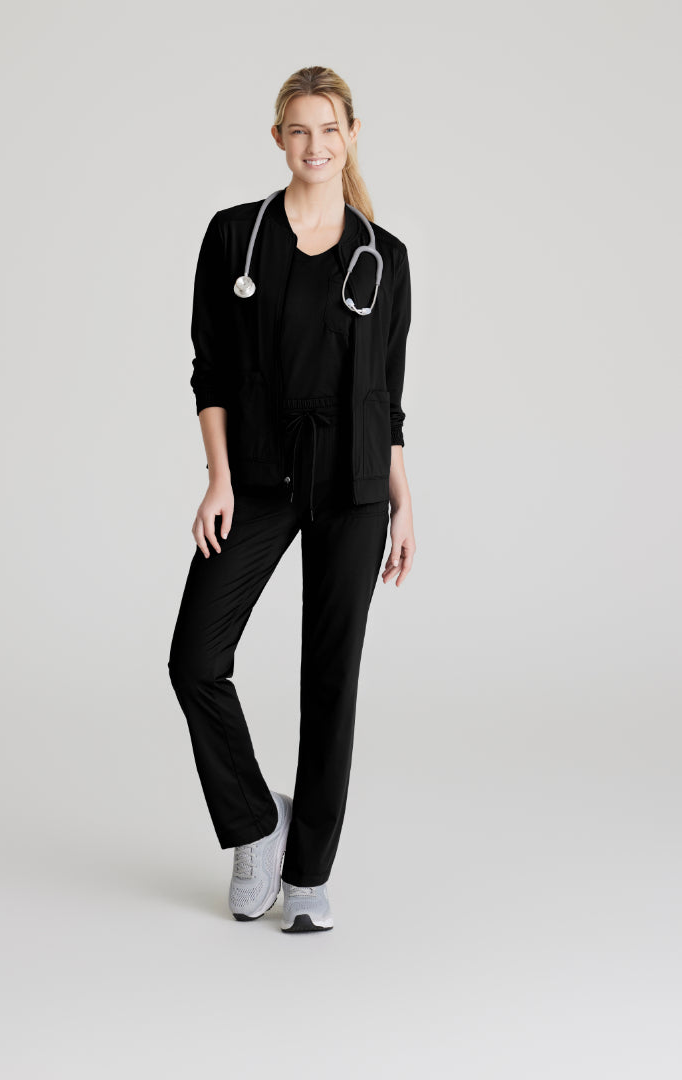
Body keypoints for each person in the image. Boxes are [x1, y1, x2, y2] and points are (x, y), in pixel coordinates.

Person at [167, 65, 416, 933]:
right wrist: (219, 477)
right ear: (278, 138)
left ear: (352, 136)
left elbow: (387, 400)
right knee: (195, 659)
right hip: (260, 474)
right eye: (299, 130)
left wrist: (403, 502)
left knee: (330, 680)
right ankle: (254, 824)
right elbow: (210, 370)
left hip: (354, 484)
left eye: (330, 129)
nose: (316, 145)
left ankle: (308, 877)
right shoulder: (235, 237)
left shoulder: (384, 258)